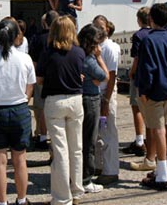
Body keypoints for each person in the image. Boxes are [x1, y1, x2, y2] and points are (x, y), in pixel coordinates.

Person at [0, 19, 36, 205]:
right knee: (20, 159)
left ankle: (2, 202)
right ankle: (21, 199)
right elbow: (30, 89)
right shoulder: (25, 58)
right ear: (16, 36)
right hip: (19, 109)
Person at [135, 4, 167, 191]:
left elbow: (147, 69)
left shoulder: (149, 41)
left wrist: (144, 90)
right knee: (164, 127)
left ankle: (162, 174)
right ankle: (159, 169)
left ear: (151, 19)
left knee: (157, 130)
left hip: (154, 90)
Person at [37, 16, 85, 205]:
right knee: (76, 148)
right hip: (75, 100)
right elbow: (81, 75)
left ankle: (61, 197)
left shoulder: (48, 53)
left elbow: (39, 79)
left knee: (60, 150)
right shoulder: (79, 52)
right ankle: (77, 191)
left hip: (55, 100)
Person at [77, 23, 108, 194]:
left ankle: (77, 176)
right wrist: (100, 58)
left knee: (79, 140)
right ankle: (86, 179)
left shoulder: (77, 54)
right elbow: (104, 76)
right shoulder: (89, 59)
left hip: (81, 98)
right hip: (90, 99)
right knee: (89, 141)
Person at [92, 16, 121, 186]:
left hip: (106, 93)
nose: (98, 29)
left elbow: (112, 77)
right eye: (95, 26)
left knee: (109, 132)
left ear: (107, 28)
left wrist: (106, 100)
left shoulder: (109, 48)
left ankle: (111, 170)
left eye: (101, 26)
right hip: (96, 93)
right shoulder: (96, 46)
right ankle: (98, 165)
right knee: (98, 134)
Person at [29, 10, 59, 150]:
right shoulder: (62, 37)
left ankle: (42, 136)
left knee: (40, 108)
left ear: (44, 23)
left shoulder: (37, 38)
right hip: (58, 77)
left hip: (41, 76)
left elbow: (33, 60)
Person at [122, 7, 149, 157]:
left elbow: (136, 58)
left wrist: (132, 72)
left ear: (139, 19)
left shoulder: (139, 35)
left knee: (136, 107)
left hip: (139, 75)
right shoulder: (155, 33)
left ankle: (139, 141)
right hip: (153, 76)